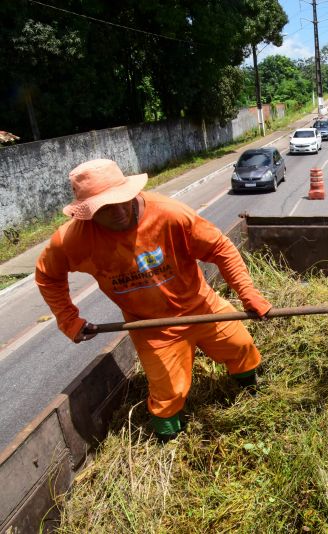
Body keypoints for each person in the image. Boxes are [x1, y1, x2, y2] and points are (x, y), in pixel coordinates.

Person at [35, 159, 272, 442]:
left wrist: (248, 293)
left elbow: (220, 248)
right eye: (106, 208)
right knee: (168, 393)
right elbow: (48, 276)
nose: (120, 211)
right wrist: (69, 319)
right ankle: (172, 445)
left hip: (202, 306)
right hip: (151, 325)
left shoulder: (170, 215)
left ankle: (255, 394)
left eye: (123, 200)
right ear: (88, 212)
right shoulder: (73, 240)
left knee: (242, 347)